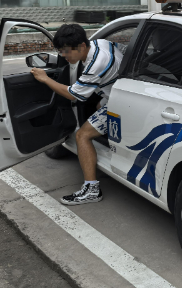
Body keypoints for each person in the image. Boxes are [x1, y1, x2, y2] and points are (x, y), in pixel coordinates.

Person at [30, 24, 123, 205]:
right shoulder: (100, 44)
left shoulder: (97, 62)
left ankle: (91, 190)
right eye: (61, 52)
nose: (64, 56)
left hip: (119, 103)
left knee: (82, 135)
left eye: (66, 52)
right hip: (117, 92)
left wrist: (45, 78)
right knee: (97, 105)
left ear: (81, 46)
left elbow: (74, 95)